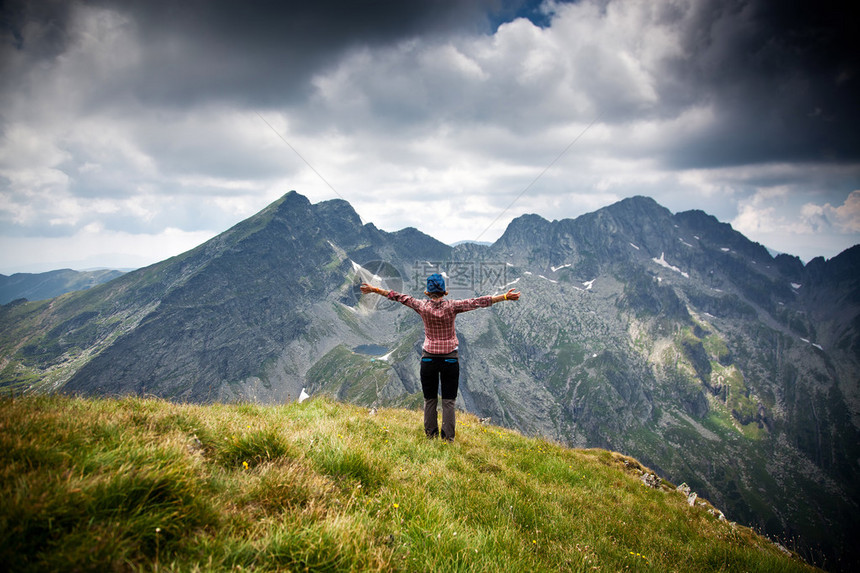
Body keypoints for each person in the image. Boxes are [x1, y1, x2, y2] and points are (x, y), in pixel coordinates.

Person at [360, 273, 520, 441]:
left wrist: (374, 289)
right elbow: (477, 302)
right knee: (449, 401)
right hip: (450, 359)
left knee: (430, 400)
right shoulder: (452, 306)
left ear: (427, 293)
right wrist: (504, 297)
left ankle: (431, 436)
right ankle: (448, 438)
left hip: (428, 359)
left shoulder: (421, 306)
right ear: (445, 292)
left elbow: (397, 297)